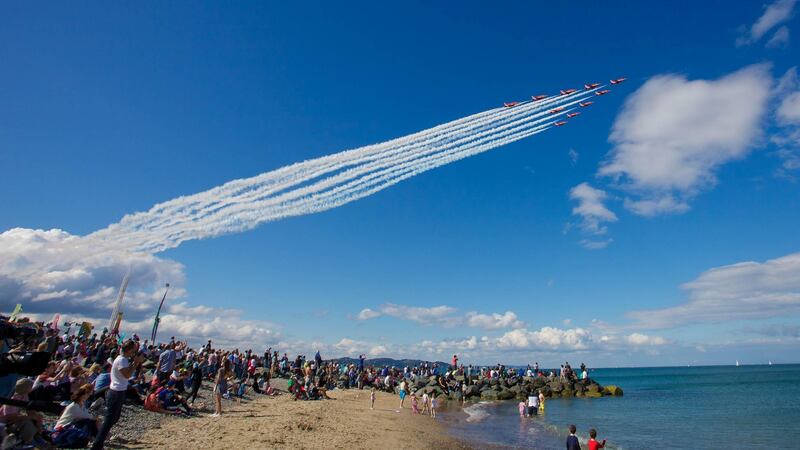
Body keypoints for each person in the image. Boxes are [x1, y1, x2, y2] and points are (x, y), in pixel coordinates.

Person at [91, 340, 144, 450]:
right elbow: (127, 375)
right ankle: (97, 443)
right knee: (110, 419)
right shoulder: (122, 360)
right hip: (116, 392)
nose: (135, 351)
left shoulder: (122, 359)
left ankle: (100, 439)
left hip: (118, 390)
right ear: (130, 350)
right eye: (134, 349)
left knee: (114, 418)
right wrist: (136, 363)